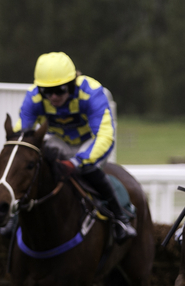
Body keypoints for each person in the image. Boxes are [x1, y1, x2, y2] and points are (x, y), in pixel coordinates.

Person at [17, 52, 136, 241]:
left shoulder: (91, 92)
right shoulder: (34, 96)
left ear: (73, 83)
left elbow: (104, 136)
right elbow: (22, 134)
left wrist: (76, 162)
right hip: (58, 141)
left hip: (90, 143)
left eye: (60, 90)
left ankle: (120, 219)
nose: (53, 97)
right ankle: (15, 216)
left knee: (88, 169)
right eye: (47, 91)